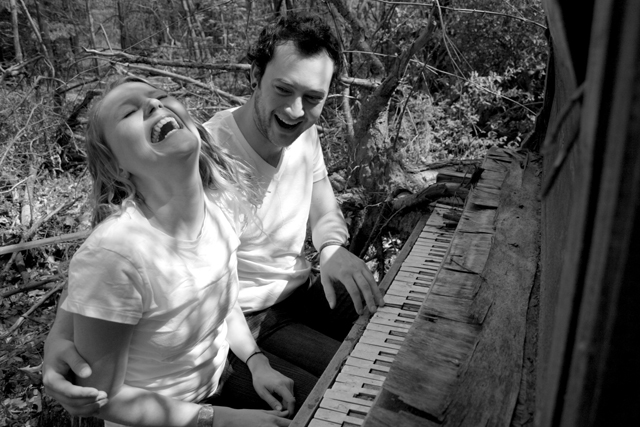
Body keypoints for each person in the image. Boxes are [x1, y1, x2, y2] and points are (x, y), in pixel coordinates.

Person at [43, 12, 385, 416]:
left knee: (388, 338)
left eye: (313, 98)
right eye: (284, 89)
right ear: (255, 76)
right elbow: (104, 263)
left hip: (280, 300)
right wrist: (57, 341)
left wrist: (330, 248)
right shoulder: (206, 155)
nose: (296, 111)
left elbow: (320, 204)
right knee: (350, 394)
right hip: (251, 318)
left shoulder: (269, 151)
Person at [47, 76, 295, 427]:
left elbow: (220, 301)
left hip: (222, 384)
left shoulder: (222, 205)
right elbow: (103, 398)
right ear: (117, 167)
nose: (153, 104)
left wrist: (257, 362)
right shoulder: (115, 255)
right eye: (130, 112)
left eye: (161, 95)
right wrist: (222, 420)